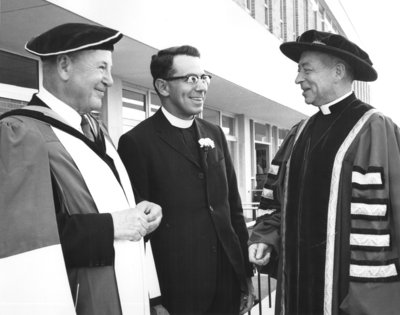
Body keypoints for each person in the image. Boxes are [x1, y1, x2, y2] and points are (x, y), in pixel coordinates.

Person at [0, 23, 165, 315]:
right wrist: (114, 225)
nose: (110, 80)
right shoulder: (21, 134)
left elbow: (101, 205)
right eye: (102, 68)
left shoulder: (95, 130)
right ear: (64, 66)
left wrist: (140, 212)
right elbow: (26, 247)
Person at [248, 29, 400, 315]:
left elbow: (392, 217)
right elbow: (277, 203)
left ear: (338, 72)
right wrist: (265, 239)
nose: (298, 79)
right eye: (298, 70)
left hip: (351, 295)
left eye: (306, 69)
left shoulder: (374, 128)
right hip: (295, 290)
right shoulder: (299, 133)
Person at [118, 45, 254, 315]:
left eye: (204, 78)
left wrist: (244, 276)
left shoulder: (214, 134)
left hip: (226, 283)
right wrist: (153, 298)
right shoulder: (137, 142)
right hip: (177, 291)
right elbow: (137, 232)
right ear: (163, 86)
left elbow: (232, 208)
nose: (202, 87)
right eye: (191, 79)